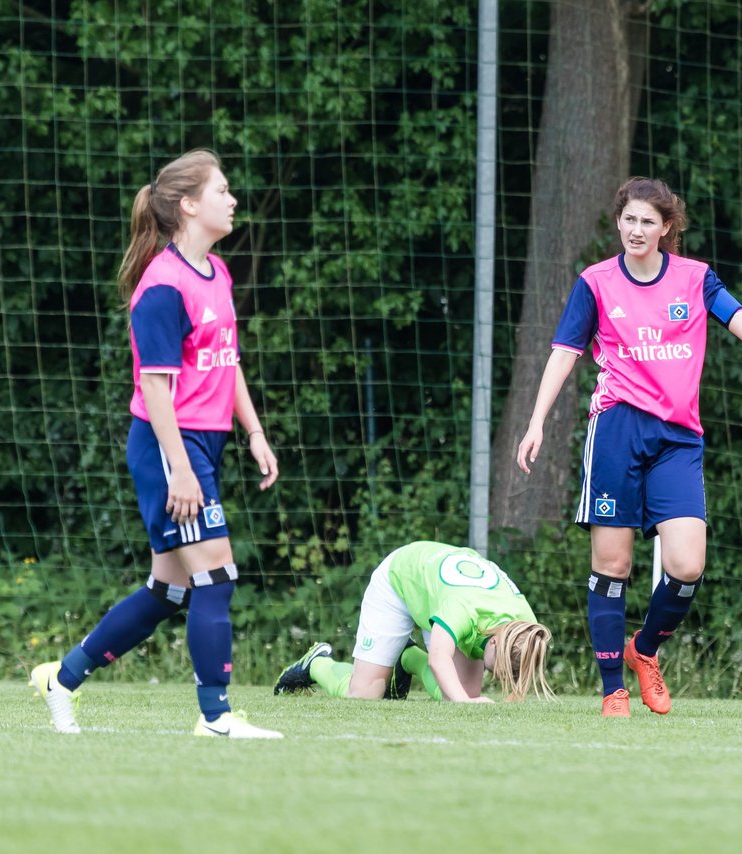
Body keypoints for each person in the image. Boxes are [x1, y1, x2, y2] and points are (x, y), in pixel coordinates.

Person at [516, 176, 742, 717]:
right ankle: (611, 690)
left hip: (677, 439)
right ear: (618, 222)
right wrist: (536, 421)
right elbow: (564, 352)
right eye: (628, 219)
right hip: (618, 430)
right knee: (613, 563)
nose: (636, 229)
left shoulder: (695, 279)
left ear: (667, 228)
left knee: (688, 565)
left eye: (648, 221)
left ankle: (643, 650)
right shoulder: (595, 283)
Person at [29, 150, 282, 738]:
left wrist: (255, 432)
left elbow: (228, 363)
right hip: (169, 446)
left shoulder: (216, 273)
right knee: (216, 576)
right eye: (222, 190)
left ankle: (61, 681)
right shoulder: (162, 286)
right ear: (189, 205)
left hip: (200, 444)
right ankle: (215, 718)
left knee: (168, 589)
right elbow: (156, 389)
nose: (233, 199)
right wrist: (181, 470)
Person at [273, 541, 554, 703]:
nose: (503, 675)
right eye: (503, 668)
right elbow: (439, 658)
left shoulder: (524, 626)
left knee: (458, 693)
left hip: (439, 591)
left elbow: (523, 659)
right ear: (495, 639)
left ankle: (406, 656)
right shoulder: (462, 609)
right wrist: (466, 703)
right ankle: (317, 662)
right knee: (363, 695)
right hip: (400, 579)